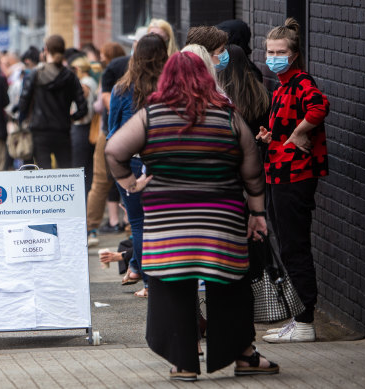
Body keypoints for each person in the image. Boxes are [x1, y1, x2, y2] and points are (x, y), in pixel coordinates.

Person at [105, 51, 279, 381]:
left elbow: (114, 150)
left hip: (167, 222)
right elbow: (253, 168)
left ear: (166, 78)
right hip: (221, 220)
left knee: (172, 286)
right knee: (229, 284)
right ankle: (243, 356)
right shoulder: (227, 115)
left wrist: (131, 183)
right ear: (207, 77)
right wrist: (257, 213)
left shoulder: (151, 116)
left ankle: (183, 363)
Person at [258, 18, 330, 343]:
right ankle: (298, 318)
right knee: (287, 246)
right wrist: (271, 136)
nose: (274, 56)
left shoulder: (301, 82)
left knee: (295, 246)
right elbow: (287, 127)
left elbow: (320, 106)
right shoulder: (281, 87)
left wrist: (300, 132)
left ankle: (304, 322)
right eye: (270, 51)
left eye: (280, 51)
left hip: (295, 177)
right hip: (278, 174)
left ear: (294, 54)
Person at [108, 33, 169, 298]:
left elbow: (112, 133)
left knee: (138, 224)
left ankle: (148, 283)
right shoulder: (169, 88)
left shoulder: (121, 89)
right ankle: (155, 277)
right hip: (164, 163)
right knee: (162, 223)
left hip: (131, 164)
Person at [18, 35, 87, 169]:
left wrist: (23, 119)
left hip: (39, 132)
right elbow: (83, 109)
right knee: (66, 173)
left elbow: (23, 104)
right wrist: (71, 118)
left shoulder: (35, 75)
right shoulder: (70, 76)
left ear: (45, 50)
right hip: (63, 131)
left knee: (44, 174)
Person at [86, 42, 127, 245]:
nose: (100, 58)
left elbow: (104, 104)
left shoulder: (110, 73)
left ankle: (91, 228)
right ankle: (127, 228)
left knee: (100, 181)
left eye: (103, 55)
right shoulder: (123, 72)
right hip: (124, 132)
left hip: (109, 132)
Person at [69, 56, 98, 195]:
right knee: (88, 168)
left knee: (78, 167)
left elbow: (82, 106)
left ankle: (81, 200)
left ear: (79, 69)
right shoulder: (92, 81)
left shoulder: (83, 84)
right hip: (89, 128)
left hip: (81, 127)